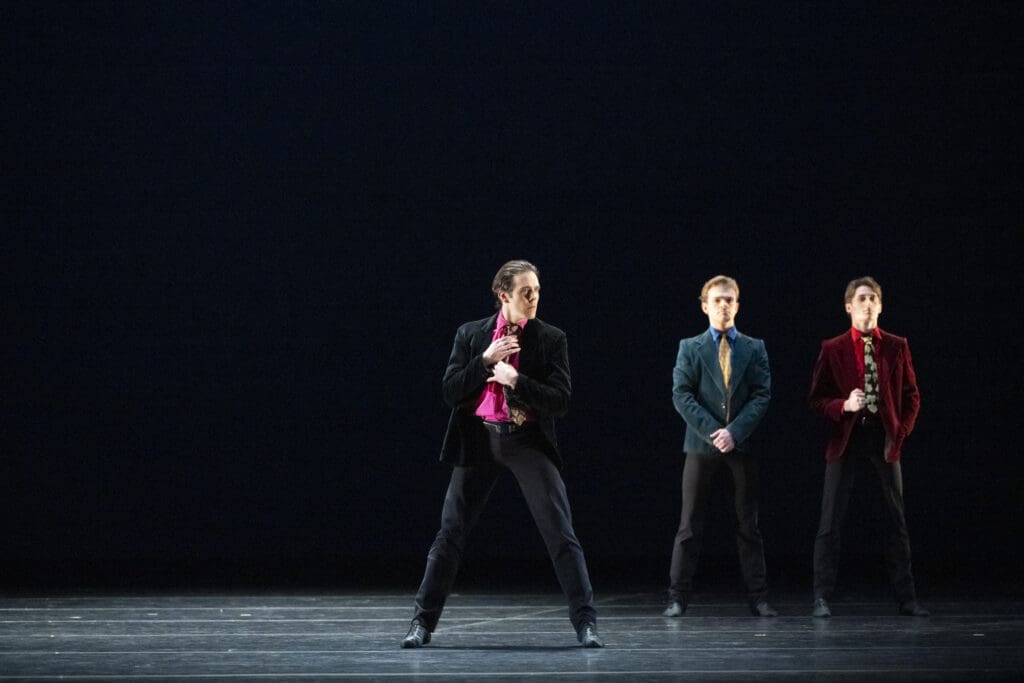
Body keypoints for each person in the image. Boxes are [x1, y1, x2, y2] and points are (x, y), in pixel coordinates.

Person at [400, 260, 603, 648]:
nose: (535, 298)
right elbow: (450, 391)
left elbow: (561, 401)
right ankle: (421, 623)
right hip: (479, 440)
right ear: (503, 294)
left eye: (538, 291)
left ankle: (586, 623)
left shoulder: (550, 338)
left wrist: (517, 380)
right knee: (450, 535)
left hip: (525, 441)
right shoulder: (471, 334)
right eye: (527, 292)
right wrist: (485, 362)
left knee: (560, 533)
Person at [809, 276, 929, 618]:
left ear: (880, 305)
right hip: (847, 437)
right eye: (861, 298)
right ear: (849, 306)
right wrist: (843, 406)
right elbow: (816, 400)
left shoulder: (895, 345)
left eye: (873, 298)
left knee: (895, 520)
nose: (867, 303)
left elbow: (912, 395)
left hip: (883, 438)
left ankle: (907, 598)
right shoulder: (833, 348)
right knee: (830, 520)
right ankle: (821, 597)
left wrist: (900, 432)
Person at [663, 275, 777, 618]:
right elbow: (681, 394)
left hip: (740, 447)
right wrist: (716, 431)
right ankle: (677, 596)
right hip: (701, 445)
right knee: (689, 525)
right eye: (717, 300)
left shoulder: (754, 347)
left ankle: (758, 597)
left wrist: (735, 432)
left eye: (729, 300)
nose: (723, 305)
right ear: (705, 306)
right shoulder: (690, 346)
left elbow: (761, 395)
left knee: (748, 524)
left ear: (737, 305)